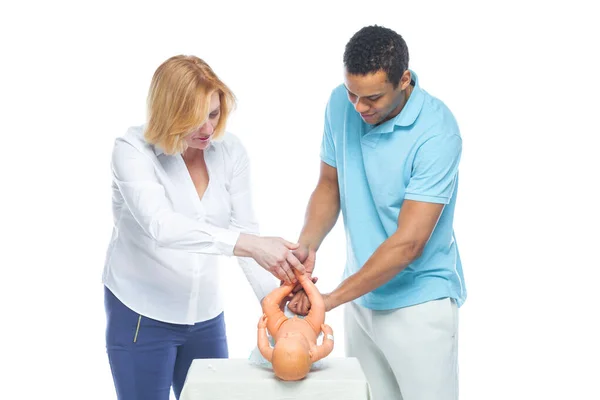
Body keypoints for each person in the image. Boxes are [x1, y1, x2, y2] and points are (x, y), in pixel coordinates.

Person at [102, 55, 305, 400]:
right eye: (195, 119)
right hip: (141, 313)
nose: (209, 129)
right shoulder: (132, 151)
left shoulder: (229, 152)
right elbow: (161, 226)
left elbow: (246, 234)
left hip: (205, 315)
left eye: (213, 114)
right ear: (169, 113)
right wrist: (251, 244)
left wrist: (279, 305)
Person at [288, 25, 466, 400]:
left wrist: (330, 300)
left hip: (418, 305)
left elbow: (409, 243)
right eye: (352, 93)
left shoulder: (437, 133)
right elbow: (328, 185)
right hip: (361, 296)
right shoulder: (341, 102)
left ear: (403, 80)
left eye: (372, 98)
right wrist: (307, 247)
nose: (359, 107)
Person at [257, 269, 334, 381]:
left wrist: (261, 328)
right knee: (319, 305)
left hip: (279, 326)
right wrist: (329, 334)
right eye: (292, 338)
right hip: (311, 326)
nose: (288, 334)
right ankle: (304, 280)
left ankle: (289, 285)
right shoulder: (313, 352)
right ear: (309, 353)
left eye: (283, 338)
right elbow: (328, 346)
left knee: (267, 303)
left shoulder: (274, 355)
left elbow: (263, 347)